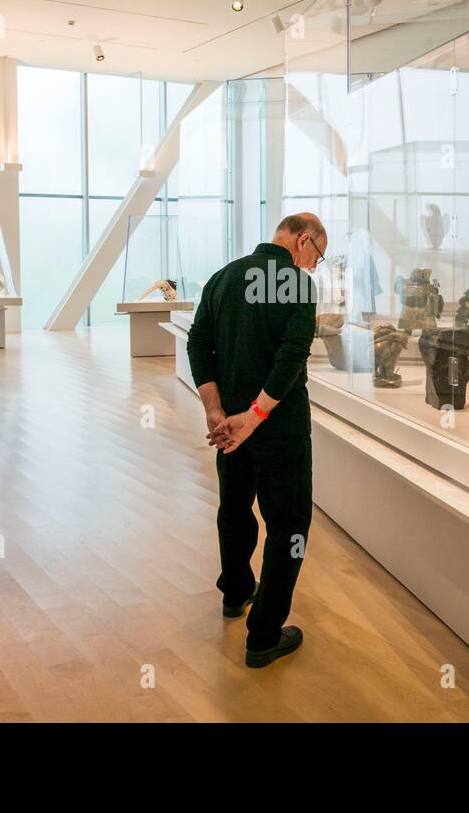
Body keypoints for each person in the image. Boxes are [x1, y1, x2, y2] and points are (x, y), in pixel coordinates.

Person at [186, 213, 325, 668]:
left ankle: (236, 591)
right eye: (317, 256)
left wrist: (216, 410)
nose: (314, 267)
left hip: (228, 429)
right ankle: (264, 635)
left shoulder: (224, 277)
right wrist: (257, 415)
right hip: (277, 430)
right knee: (289, 529)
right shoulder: (299, 286)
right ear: (303, 240)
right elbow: (290, 358)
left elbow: (198, 341)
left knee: (235, 508)